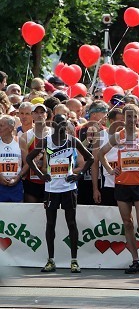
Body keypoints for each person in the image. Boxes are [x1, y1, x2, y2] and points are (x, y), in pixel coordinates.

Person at [98, 104, 139, 275]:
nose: (131, 120)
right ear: (124, 118)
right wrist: (110, 170)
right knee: (128, 223)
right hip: (122, 184)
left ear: (138, 118)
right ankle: (135, 260)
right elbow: (101, 153)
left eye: (134, 117)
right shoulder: (118, 136)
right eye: (128, 117)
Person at [26, 114, 94, 273]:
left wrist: (78, 175)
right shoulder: (46, 141)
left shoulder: (72, 141)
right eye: (58, 124)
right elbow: (29, 159)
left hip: (68, 188)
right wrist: (41, 175)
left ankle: (74, 261)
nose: (61, 127)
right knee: (51, 224)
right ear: (53, 125)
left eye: (64, 123)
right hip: (51, 189)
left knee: (72, 223)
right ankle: (50, 260)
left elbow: (90, 158)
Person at [19, 103, 52, 203]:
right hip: (32, 181)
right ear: (32, 115)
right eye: (36, 113)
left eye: (42, 112)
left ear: (46, 115)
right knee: (32, 211)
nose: (39, 115)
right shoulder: (25, 137)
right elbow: (26, 163)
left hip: (50, 181)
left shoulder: (53, 134)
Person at [92, 108, 124, 206]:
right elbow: (94, 164)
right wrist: (95, 189)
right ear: (111, 121)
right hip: (108, 185)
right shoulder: (100, 136)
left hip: (126, 184)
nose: (124, 124)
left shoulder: (128, 136)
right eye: (121, 121)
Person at [0, 115, 24, 202]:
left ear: (10, 128)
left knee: (17, 213)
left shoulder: (20, 141)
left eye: (1, 125)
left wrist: (17, 178)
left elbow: (27, 163)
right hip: (0, 185)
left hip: (16, 185)